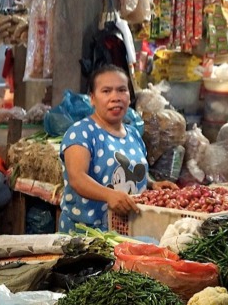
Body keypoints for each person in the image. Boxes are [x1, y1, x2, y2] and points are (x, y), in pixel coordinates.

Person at [59, 64, 177, 233]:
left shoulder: (133, 134)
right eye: (106, 91)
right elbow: (77, 178)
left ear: (129, 97)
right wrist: (108, 195)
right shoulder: (81, 133)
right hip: (87, 234)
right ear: (92, 98)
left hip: (126, 229)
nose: (115, 97)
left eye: (122, 90)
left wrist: (152, 184)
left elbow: (131, 168)